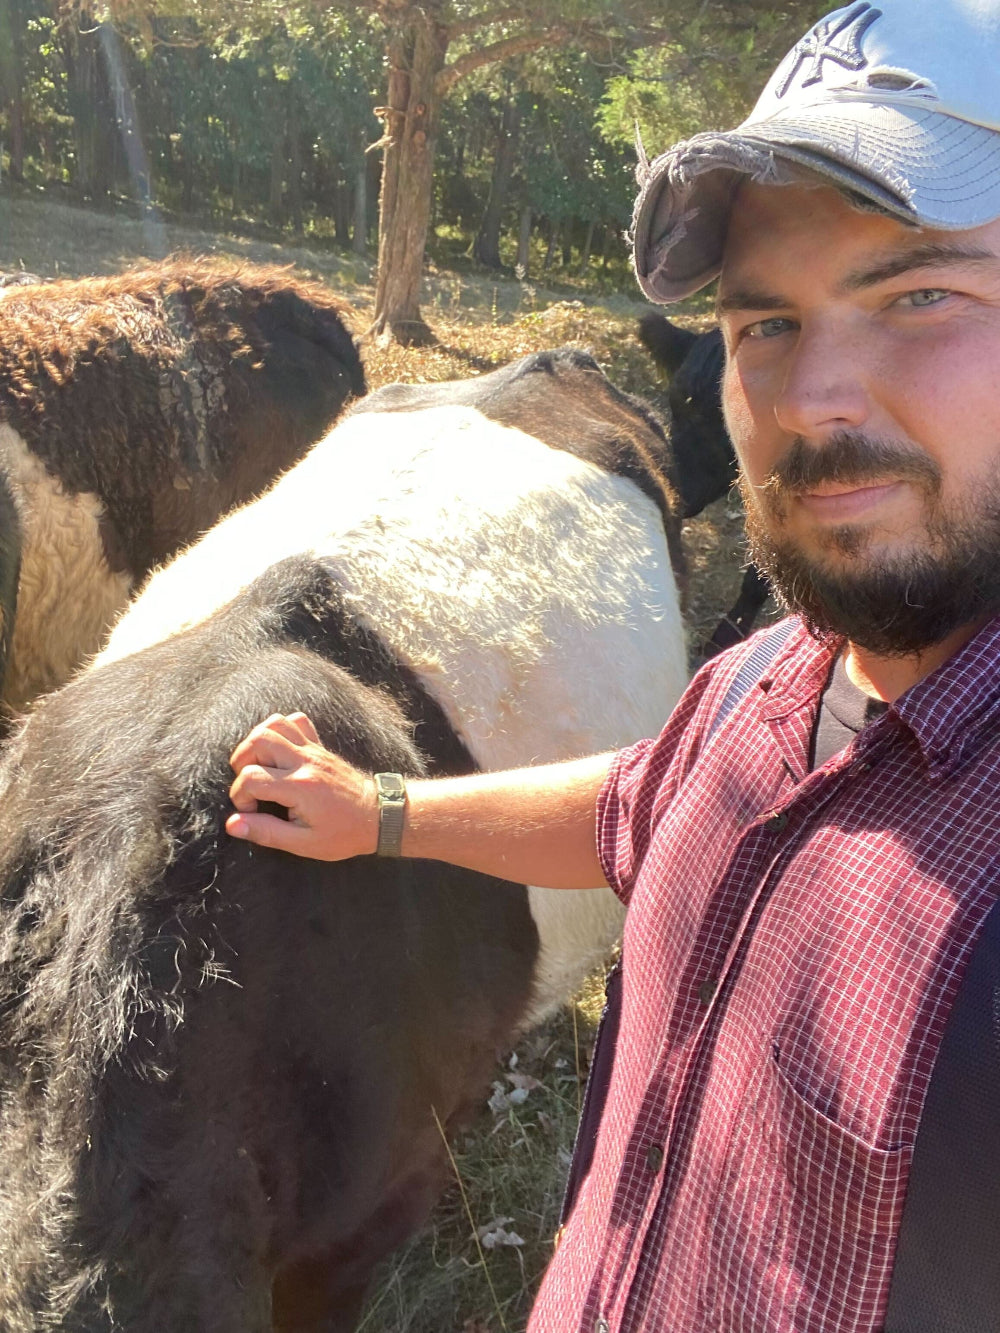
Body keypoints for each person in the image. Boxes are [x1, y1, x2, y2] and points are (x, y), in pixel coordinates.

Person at [226, 1, 1000, 1328]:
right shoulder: (765, 681)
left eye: (921, 295)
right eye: (764, 325)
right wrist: (382, 813)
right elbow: (645, 803)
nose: (816, 396)